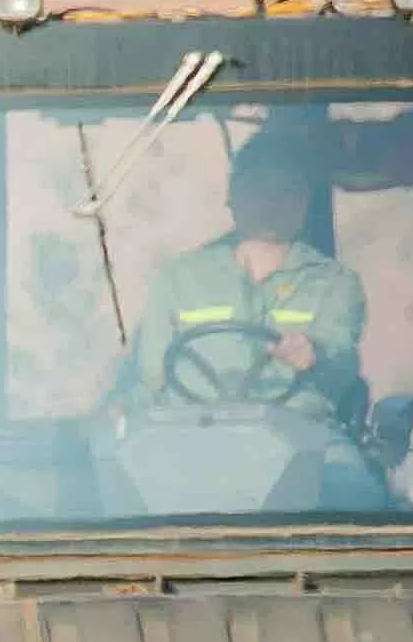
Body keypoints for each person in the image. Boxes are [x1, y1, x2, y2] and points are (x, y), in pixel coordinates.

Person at [132, 129, 368, 425]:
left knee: (349, 472)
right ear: (232, 194)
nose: (271, 203)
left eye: (288, 190)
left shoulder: (336, 283)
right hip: (192, 440)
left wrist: (315, 351)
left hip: (303, 442)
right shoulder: (176, 279)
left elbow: (342, 360)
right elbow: (151, 376)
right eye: (258, 187)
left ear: (306, 200)